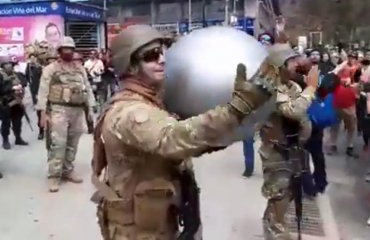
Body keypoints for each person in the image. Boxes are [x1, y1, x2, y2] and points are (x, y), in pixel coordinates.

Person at [91, 25, 279, 240]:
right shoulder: (129, 112)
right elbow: (172, 139)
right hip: (137, 232)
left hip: (157, 223)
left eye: (163, 52)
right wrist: (236, 109)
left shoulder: (152, 103)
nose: (162, 59)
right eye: (152, 55)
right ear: (130, 65)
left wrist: (226, 132)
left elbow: (185, 141)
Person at [259, 43, 319, 240]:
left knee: (290, 192)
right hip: (277, 152)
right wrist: (310, 88)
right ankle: (276, 230)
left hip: (294, 150)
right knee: (279, 194)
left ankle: (272, 221)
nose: (296, 64)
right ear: (279, 65)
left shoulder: (291, 85)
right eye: (291, 61)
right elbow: (293, 111)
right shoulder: (272, 88)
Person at [37, 36, 95, 192]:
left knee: (73, 142)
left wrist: (91, 108)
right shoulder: (51, 69)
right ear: (60, 50)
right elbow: (43, 91)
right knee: (58, 143)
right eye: (65, 49)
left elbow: (87, 88)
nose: (68, 51)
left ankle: (68, 169)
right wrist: (43, 113)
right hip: (58, 109)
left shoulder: (79, 68)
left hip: (77, 110)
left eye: (71, 49)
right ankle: (54, 176)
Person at [0, 56, 28, 149]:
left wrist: (20, 85)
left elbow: (24, 81)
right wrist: (12, 87)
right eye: (6, 64)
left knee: (17, 122)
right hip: (6, 103)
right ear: (2, 66)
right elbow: (2, 89)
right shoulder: (1, 77)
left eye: (10, 64)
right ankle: (5, 140)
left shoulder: (17, 74)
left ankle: (18, 138)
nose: (8, 66)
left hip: (17, 102)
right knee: (6, 123)